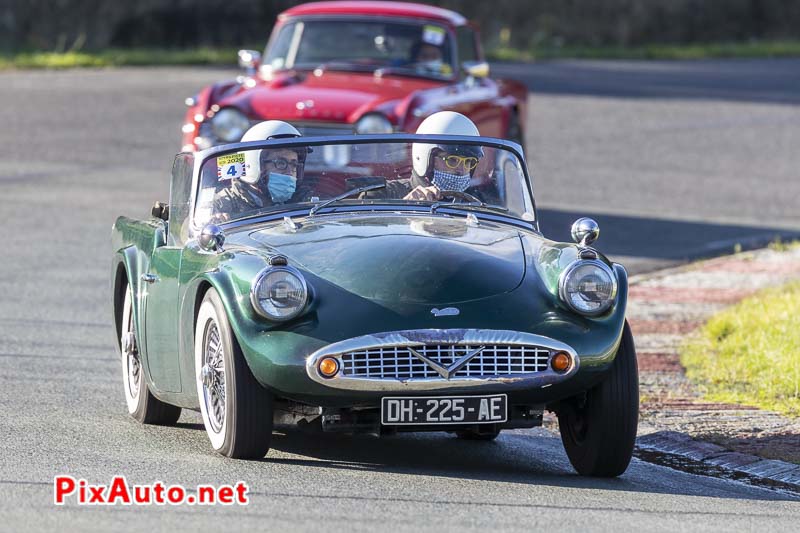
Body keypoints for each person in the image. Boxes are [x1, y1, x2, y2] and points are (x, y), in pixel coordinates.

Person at [212, 121, 307, 221]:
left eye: (294, 164)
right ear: (254, 164)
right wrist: (216, 219)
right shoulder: (221, 204)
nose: (289, 172)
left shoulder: (303, 202)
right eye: (281, 163)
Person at [381, 111, 484, 201]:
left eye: (468, 162)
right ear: (425, 158)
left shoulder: (480, 203)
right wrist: (404, 209)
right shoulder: (385, 195)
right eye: (452, 160)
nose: (461, 170)